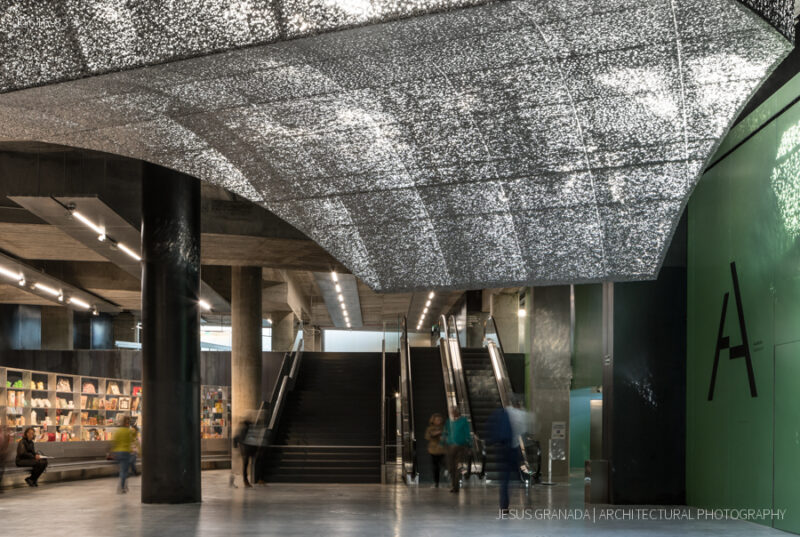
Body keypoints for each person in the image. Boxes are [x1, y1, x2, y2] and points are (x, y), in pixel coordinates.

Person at [487, 405, 515, 512]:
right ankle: (504, 505)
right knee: (506, 479)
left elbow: (490, 433)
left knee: (503, 479)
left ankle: (503, 504)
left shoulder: (493, 417)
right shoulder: (507, 416)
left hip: (499, 450)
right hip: (508, 448)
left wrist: (490, 442)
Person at [442, 408, 471, 493]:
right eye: (452, 412)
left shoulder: (463, 421)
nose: (453, 413)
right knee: (451, 467)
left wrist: (469, 445)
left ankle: (456, 486)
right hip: (450, 446)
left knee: (457, 466)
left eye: (454, 412)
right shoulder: (449, 422)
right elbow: (445, 432)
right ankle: (454, 485)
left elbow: (467, 433)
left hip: (460, 446)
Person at [233, 418, 257, 488]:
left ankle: (246, 480)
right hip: (245, 450)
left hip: (245, 450)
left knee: (246, 465)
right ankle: (245, 481)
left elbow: (236, 438)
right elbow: (238, 438)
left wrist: (236, 446)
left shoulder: (243, 429)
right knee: (245, 465)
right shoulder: (245, 430)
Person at [111, 417, 133, 493]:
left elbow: (114, 442)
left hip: (118, 452)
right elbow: (132, 440)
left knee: (122, 470)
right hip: (125, 452)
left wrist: (112, 452)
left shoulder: (118, 431)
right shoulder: (128, 431)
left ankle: (123, 486)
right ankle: (122, 487)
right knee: (124, 471)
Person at [424, 413, 447, 487]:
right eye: (437, 420)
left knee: (444, 463)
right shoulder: (430, 428)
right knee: (435, 467)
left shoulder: (444, 428)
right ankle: (436, 482)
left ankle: (447, 474)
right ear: (433, 421)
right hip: (433, 450)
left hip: (442, 449)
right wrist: (435, 434)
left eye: (440, 420)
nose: (438, 421)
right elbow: (427, 437)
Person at [0, 425, 11, 492]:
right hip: (1, 456)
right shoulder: (1, 436)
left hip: (2, 457)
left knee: (1, 471)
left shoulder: (2, 436)